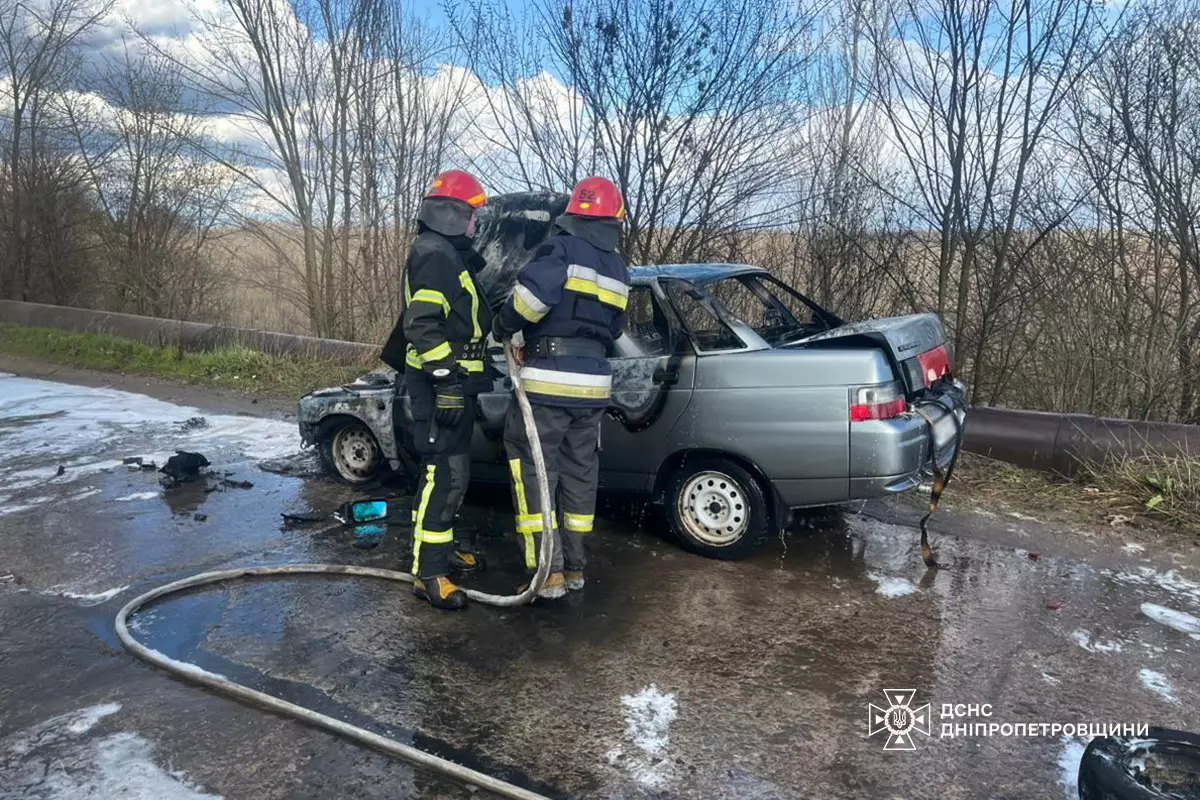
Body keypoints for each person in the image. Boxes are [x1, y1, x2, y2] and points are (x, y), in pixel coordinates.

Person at [490, 176, 629, 599]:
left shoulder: (561, 249)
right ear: (612, 221)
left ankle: (544, 574)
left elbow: (531, 300)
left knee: (533, 470)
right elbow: (617, 327)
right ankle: (575, 569)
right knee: (579, 473)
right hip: (593, 388)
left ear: (575, 215)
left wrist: (503, 325)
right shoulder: (619, 267)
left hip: (549, 381)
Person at [380, 169, 492, 610]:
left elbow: (461, 318)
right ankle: (428, 574)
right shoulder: (434, 254)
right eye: (474, 215)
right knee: (441, 478)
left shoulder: (448, 253)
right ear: (454, 213)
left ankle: (441, 554)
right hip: (438, 388)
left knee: (455, 476)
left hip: (455, 387)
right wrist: (446, 380)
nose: (477, 224)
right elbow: (422, 325)